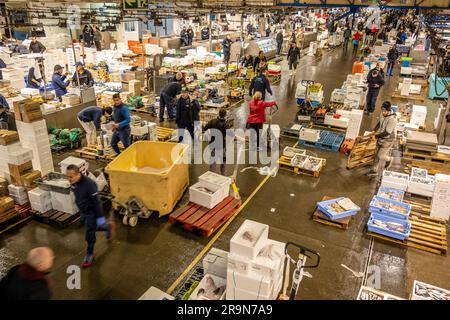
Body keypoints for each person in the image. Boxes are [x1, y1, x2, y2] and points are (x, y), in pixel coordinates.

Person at [66, 165, 115, 268]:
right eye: (68, 176)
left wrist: (100, 218)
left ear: (78, 174)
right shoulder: (74, 183)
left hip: (92, 212)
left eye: (71, 176)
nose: (69, 179)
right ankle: (108, 227)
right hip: (84, 212)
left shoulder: (89, 185)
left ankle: (89, 254)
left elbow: (97, 203)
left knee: (89, 233)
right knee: (94, 228)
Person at [366, 101, 398, 179]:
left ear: (389, 110)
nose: (383, 112)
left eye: (385, 111)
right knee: (376, 154)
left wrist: (376, 136)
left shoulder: (392, 119)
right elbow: (379, 123)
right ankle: (374, 170)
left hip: (388, 139)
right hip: (380, 137)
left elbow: (387, 132)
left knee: (381, 155)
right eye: (382, 110)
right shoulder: (382, 114)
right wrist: (374, 130)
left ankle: (390, 159)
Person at [203, 109, 230, 176]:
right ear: (225, 115)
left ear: (218, 114)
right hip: (221, 146)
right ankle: (223, 176)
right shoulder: (225, 124)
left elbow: (205, 128)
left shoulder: (212, 121)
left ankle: (211, 176)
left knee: (212, 162)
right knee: (223, 162)